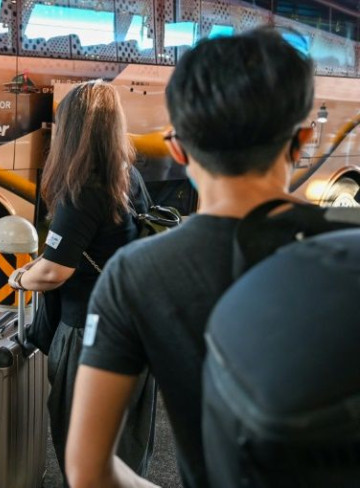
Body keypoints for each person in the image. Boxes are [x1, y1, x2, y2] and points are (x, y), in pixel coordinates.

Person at [65, 28, 315, 488]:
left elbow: (88, 470)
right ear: (302, 140)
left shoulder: (135, 275)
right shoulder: (345, 247)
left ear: (177, 148)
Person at [6, 80, 154, 484]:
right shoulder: (127, 177)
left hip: (87, 335)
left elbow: (54, 271)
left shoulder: (83, 189)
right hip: (130, 330)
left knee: (85, 452)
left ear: (72, 129)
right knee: (122, 446)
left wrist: (21, 277)